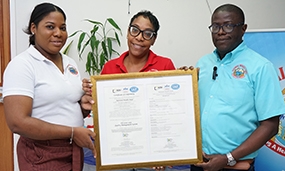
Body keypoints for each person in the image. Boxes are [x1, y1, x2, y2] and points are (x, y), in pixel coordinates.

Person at [82, 10, 190, 171]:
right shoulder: (110, 67)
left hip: (152, 154)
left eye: (147, 34)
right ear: (128, 32)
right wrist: (89, 93)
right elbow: (104, 112)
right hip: (117, 149)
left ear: (154, 39)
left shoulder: (165, 66)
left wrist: (182, 83)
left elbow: (170, 115)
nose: (139, 37)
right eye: (135, 30)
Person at [185, 4, 285, 171]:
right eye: (215, 26)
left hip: (234, 165)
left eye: (228, 25)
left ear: (243, 29)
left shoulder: (260, 67)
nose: (221, 31)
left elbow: (270, 125)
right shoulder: (202, 64)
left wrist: (228, 158)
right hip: (199, 164)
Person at [3, 3, 96, 171]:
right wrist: (73, 132)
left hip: (72, 150)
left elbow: (62, 106)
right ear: (33, 28)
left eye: (63, 27)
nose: (58, 33)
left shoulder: (69, 62)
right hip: (42, 154)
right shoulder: (22, 65)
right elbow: (17, 123)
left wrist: (83, 106)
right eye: (50, 27)